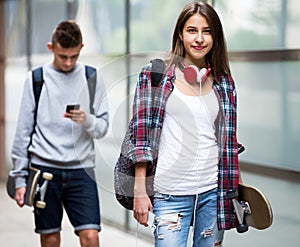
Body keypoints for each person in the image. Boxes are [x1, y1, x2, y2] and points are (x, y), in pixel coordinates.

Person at [130, 2, 242, 247]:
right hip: (170, 193)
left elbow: (228, 141)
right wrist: (139, 190)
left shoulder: (224, 82)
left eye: (207, 31)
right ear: (180, 33)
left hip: (213, 192)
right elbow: (140, 136)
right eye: (192, 30)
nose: (200, 38)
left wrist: (239, 189)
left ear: (216, 37)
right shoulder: (155, 74)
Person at [10, 20, 109, 247]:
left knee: (91, 236)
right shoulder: (36, 80)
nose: (68, 62)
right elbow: (23, 132)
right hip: (45, 171)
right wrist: (19, 179)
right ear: (50, 47)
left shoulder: (92, 78)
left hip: (81, 170)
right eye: (62, 56)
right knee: (51, 238)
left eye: (73, 56)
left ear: (81, 48)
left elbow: (103, 127)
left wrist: (86, 120)